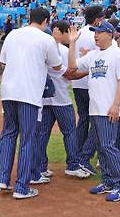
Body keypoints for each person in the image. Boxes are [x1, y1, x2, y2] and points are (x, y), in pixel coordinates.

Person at [0, 7, 62, 199]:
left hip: (8, 91)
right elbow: (57, 65)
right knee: (28, 139)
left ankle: (2, 179)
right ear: (46, 21)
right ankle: (22, 187)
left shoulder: (13, 34)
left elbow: (3, 63)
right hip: (29, 94)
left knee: (8, 134)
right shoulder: (46, 39)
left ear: (30, 18)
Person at [65, 21, 120, 202]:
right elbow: (72, 66)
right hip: (95, 108)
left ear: (110, 34)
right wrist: (72, 43)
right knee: (102, 148)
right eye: (95, 32)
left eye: (100, 32)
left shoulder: (118, 54)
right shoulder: (93, 55)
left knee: (109, 147)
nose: (96, 35)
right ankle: (108, 181)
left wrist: (116, 104)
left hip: (108, 108)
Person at [31, 20, 90, 184]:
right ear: (61, 32)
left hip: (45, 99)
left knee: (43, 134)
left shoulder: (42, 49)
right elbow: (71, 73)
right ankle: (72, 165)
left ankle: (41, 166)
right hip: (61, 99)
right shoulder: (63, 51)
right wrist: (87, 68)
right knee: (70, 132)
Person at [73, 5, 105, 174]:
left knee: (83, 119)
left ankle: (77, 154)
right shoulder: (97, 34)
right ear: (97, 20)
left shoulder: (78, 33)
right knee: (97, 121)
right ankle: (87, 156)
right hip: (92, 82)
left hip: (78, 82)